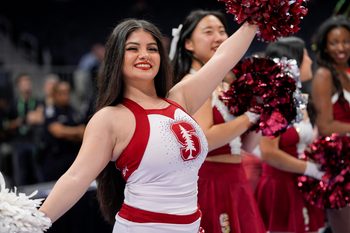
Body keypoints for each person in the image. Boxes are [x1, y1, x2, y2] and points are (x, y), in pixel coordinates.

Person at [38, 18, 258, 233]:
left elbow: (223, 57)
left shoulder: (180, 99)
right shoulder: (109, 118)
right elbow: (76, 178)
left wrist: (256, 18)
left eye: (152, 48)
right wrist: (32, 223)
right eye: (133, 48)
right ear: (116, 57)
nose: (144, 55)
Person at [171, 9, 265, 233]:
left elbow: (246, 146)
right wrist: (249, 116)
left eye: (222, 31)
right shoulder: (193, 84)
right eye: (208, 32)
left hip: (235, 179)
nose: (219, 38)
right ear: (188, 44)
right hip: (211, 182)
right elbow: (205, 140)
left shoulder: (225, 85)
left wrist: (265, 110)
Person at [254, 37, 325, 233]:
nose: (310, 61)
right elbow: (268, 152)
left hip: (302, 183)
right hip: (281, 188)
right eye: (305, 56)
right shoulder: (275, 103)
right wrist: (310, 168)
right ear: (292, 62)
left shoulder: (299, 99)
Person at [311, 15, 350, 233]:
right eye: (334, 42)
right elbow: (325, 126)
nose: (341, 48)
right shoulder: (324, 76)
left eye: (346, 41)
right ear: (325, 46)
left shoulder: (346, 72)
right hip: (339, 164)